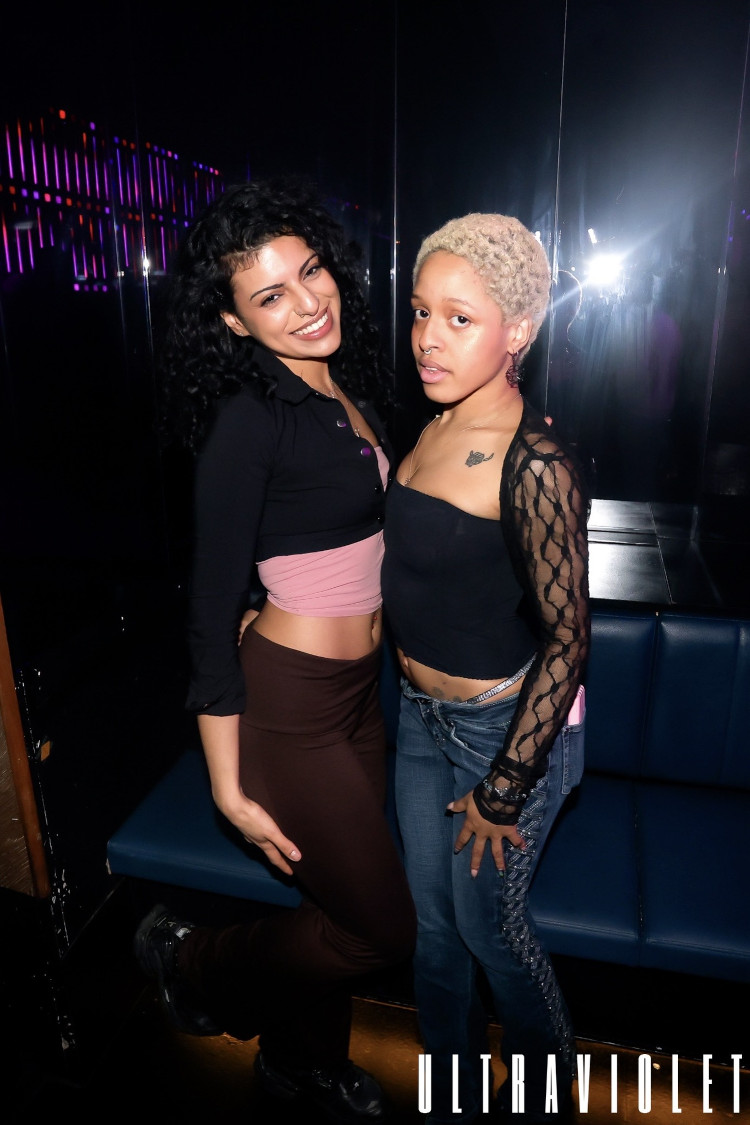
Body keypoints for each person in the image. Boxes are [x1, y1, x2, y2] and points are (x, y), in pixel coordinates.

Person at [133, 176, 416, 1123]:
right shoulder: (246, 420)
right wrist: (227, 786)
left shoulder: (337, 384)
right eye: (270, 295)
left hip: (357, 694)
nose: (306, 302)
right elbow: (210, 613)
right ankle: (191, 958)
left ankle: (302, 1061)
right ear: (233, 320)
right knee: (383, 929)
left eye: (311, 272)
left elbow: (327, 542)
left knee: (334, 911)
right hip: (290, 711)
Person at [381, 213, 590, 1124]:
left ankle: (545, 1098)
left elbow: (569, 638)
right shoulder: (431, 425)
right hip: (418, 719)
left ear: (520, 330)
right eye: (421, 311)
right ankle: (453, 1095)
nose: (428, 337)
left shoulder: (535, 463)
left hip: (502, 733)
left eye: (459, 318)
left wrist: (505, 786)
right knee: (432, 931)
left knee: (488, 932)